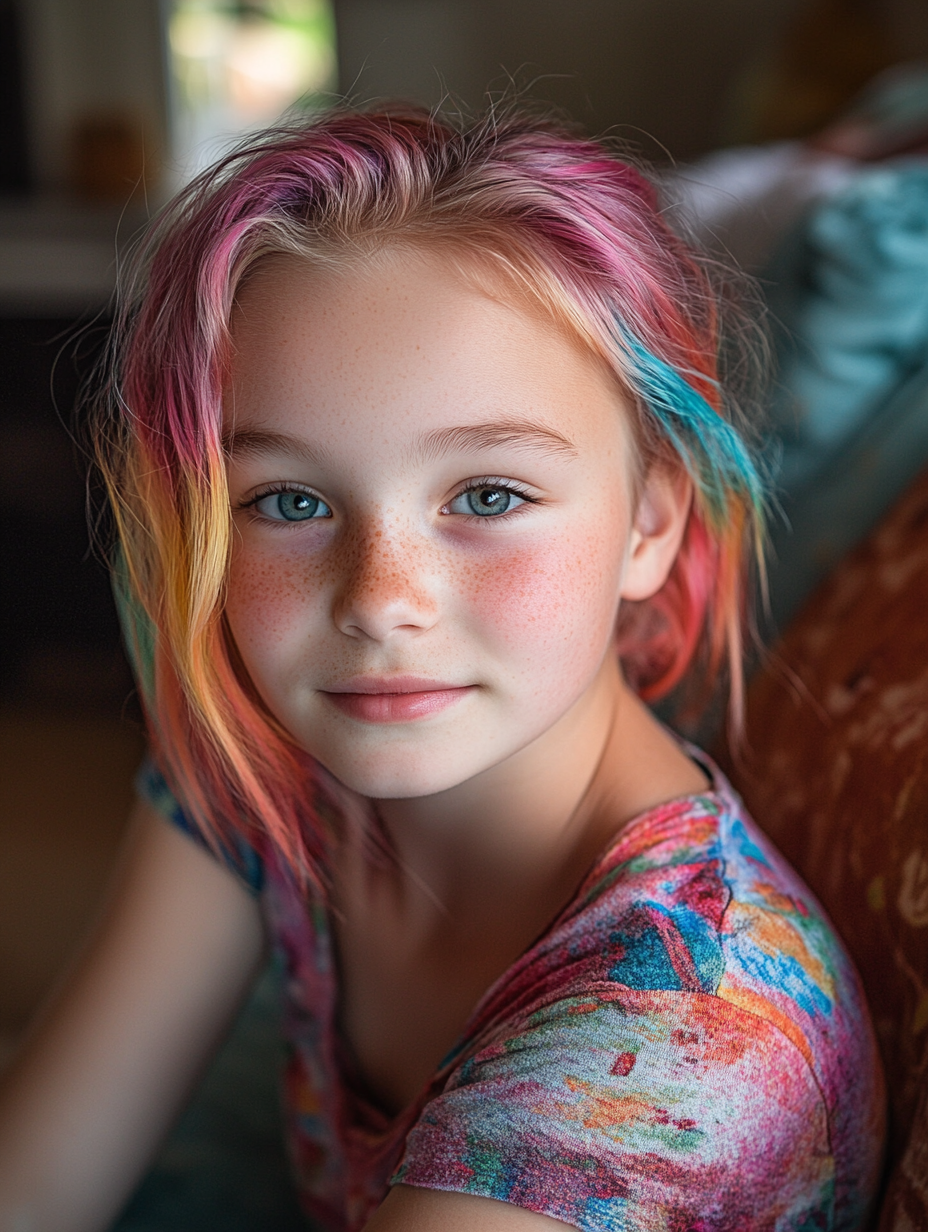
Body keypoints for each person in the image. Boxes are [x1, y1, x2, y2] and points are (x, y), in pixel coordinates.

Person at [0, 106, 885, 1232]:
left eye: (487, 495)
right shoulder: (269, 770)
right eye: (291, 500)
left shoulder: (674, 1045)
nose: (379, 598)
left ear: (650, 521)